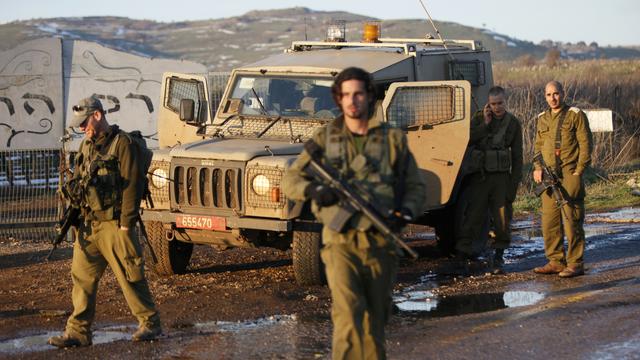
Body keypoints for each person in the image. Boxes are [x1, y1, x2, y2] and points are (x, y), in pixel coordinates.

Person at [283, 67, 426, 359]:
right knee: (348, 317)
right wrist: (314, 191)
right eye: (346, 94)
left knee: (375, 322)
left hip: (380, 243)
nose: (352, 100)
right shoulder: (325, 138)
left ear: (369, 96)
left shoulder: (392, 140)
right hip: (340, 242)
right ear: (338, 99)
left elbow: (415, 187)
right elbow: (291, 179)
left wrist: (403, 215)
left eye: (358, 93)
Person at [48, 96, 161, 348]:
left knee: (130, 276)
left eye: (84, 122)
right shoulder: (86, 147)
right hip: (89, 226)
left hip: (115, 224)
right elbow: (79, 182)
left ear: (98, 115)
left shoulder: (123, 144)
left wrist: (126, 223)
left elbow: (133, 184)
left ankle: (150, 324)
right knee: (81, 278)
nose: (81, 128)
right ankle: (78, 332)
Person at [455, 86, 523, 274]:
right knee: (473, 217)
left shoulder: (513, 123)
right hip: (480, 177)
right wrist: (484, 124)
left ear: (505, 101)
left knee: (502, 220)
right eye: (493, 104)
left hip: (501, 179)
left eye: (500, 103)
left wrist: (513, 186)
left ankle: (498, 257)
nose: (497, 107)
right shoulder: (479, 118)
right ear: (488, 103)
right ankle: (462, 255)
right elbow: (466, 140)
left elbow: (518, 157)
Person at [532, 81, 593, 278]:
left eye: (556, 94)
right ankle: (555, 261)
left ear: (562, 94)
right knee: (549, 221)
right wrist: (537, 168)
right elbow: (538, 146)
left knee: (571, 219)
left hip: (569, 172)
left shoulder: (575, 114)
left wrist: (579, 171)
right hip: (548, 176)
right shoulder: (542, 118)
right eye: (549, 94)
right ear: (545, 96)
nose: (553, 98)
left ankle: (575, 262)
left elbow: (586, 143)